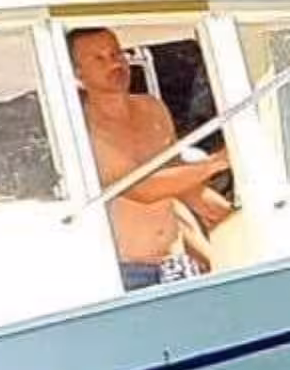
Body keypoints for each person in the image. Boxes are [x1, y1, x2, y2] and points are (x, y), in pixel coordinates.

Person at [68, 28, 233, 290]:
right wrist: (217, 162)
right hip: (126, 272)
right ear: (77, 74)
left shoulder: (152, 108)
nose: (114, 64)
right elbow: (141, 189)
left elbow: (178, 186)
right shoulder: (81, 127)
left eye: (116, 53)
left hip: (176, 263)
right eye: (98, 59)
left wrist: (232, 219)